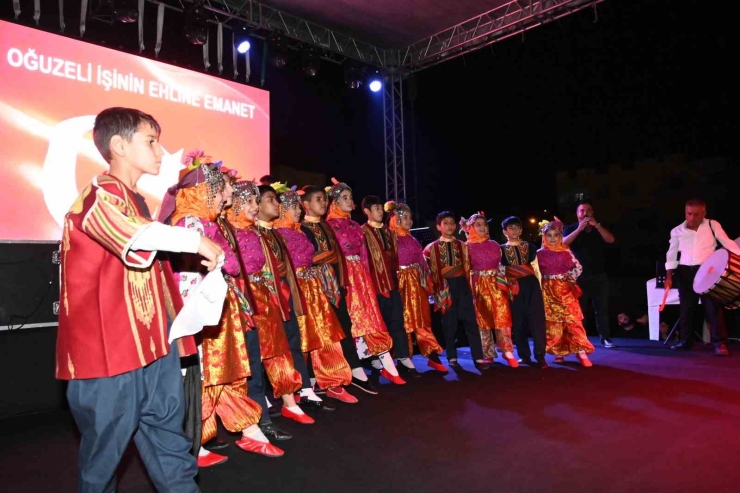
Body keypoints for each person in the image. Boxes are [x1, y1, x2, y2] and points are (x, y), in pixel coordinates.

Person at [56, 107, 217, 492]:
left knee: (172, 450)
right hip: (108, 357)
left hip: (153, 350)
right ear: (118, 146)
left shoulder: (138, 203)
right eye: (151, 141)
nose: (161, 151)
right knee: (102, 464)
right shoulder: (95, 199)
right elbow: (136, 237)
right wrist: (194, 241)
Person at [160, 151, 282, 463]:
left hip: (215, 308)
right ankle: (194, 443)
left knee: (224, 372)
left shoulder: (204, 222)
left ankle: (247, 431)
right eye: (223, 188)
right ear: (203, 191)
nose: (228, 195)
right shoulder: (188, 222)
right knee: (206, 375)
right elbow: (195, 276)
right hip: (200, 312)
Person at [228, 181, 314, 424]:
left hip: (265, 295)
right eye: (250, 202)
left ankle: (289, 402)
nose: (255, 207)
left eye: (257, 201)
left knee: (278, 349)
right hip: (243, 298)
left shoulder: (259, 232)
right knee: (253, 356)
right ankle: (257, 416)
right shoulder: (227, 232)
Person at [273, 184, 357, 403]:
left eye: (298, 206)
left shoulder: (299, 231)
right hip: (294, 287)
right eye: (292, 207)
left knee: (327, 334)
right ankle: (300, 388)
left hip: (313, 286)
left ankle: (334, 382)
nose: (298, 211)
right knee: (301, 338)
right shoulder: (276, 235)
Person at [299, 185, 379, 395]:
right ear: (305, 204)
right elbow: (301, 260)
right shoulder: (300, 229)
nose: (323, 203)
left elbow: (339, 257)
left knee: (344, 325)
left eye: (324, 199)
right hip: (313, 288)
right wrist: (324, 258)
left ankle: (355, 370)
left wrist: (341, 280)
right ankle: (314, 379)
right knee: (318, 333)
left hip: (335, 285)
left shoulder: (327, 227)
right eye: (318, 199)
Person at [325, 179, 405, 384]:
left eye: (350, 198)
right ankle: (353, 365)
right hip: (343, 277)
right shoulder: (328, 226)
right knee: (350, 318)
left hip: (361, 276)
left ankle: (386, 362)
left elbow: (364, 256)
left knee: (371, 316)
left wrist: (368, 280)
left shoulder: (356, 226)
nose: (349, 201)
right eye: (344, 198)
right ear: (333, 202)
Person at [664, 199, 740, 355]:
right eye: (689, 214)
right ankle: (685, 341)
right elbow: (671, 255)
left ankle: (719, 343)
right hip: (685, 271)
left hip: (707, 270)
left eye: (696, 214)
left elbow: (727, 243)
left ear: (704, 213)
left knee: (712, 308)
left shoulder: (712, 225)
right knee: (686, 308)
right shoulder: (677, 231)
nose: (692, 218)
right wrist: (669, 277)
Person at [424, 211, 491, 370]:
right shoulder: (430, 249)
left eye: (452, 222)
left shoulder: (463, 246)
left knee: (470, 322)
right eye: (445, 223)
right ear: (438, 226)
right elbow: (426, 272)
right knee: (449, 324)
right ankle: (452, 357)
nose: (450, 226)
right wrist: (435, 290)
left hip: (462, 286)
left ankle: (478, 357)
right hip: (444, 288)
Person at [386, 202, 448, 373]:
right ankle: (402, 358)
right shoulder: (389, 239)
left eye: (410, 217)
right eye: (404, 217)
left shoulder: (413, 239)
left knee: (422, 318)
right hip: (399, 283)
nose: (409, 221)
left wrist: (428, 281)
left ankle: (432, 355)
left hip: (416, 283)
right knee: (402, 320)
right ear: (395, 219)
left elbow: (422, 262)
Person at [362, 195, 420, 377]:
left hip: (392, 284)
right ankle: (373, 357)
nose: (380, 211)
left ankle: (403, 358)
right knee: (376, 325)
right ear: (367, 212)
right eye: (376, 208)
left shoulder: (390, 233)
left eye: (381, 208)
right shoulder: (362, 232)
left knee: (397, 321)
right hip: (372, 285)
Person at [459, 213, 518, 368]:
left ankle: (507, 350)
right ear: (471, 227)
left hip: (496, 283)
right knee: (482, 320)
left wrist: (507, 283)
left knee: (502, 316)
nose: (483, 227)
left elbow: (502, 266)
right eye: (478, 225)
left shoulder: (494, 245)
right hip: (478, 284)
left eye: (484, 224)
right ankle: (487, 353)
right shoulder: (465, 247)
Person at [536, 220, 595, 366]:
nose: (553, 238)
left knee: (573, 320)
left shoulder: (565, 251)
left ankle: (581, 351)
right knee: (555, 323)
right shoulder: (539, 254)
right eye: (549, 235)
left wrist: (569, 276)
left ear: (560, 236)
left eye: (556, 235)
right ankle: (559, 353)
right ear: (544, 237)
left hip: (565, 290)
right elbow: (535, 273)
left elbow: (578, 267)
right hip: (548, 292)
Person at [562, 202, 617, 348]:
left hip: (599, 274)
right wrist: (579, 229)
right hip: (578, 276)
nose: (585, 213)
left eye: (588, 210)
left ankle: (605, 338)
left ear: (592, 212)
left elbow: (611, 240)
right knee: (579, 309)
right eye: (582, 211)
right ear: (577, 213)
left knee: (602, 309)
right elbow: (563, 243)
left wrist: (597, 226)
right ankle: (580, 339)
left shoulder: (598, 228)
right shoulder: (571, 228)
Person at [500, 216, 549, 368]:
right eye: (511, 228)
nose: (514, 230)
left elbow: (536, 268)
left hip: (531, 284)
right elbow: (501, 271)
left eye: (517, 227)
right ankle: (524, 355)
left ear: (521, 230)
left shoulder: (529, 246)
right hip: (513, 286)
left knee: (537, 320)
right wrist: (505, 288)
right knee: (518, 321)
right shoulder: (500, 250)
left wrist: (541, 287)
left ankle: (540, 355)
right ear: (505, 231)